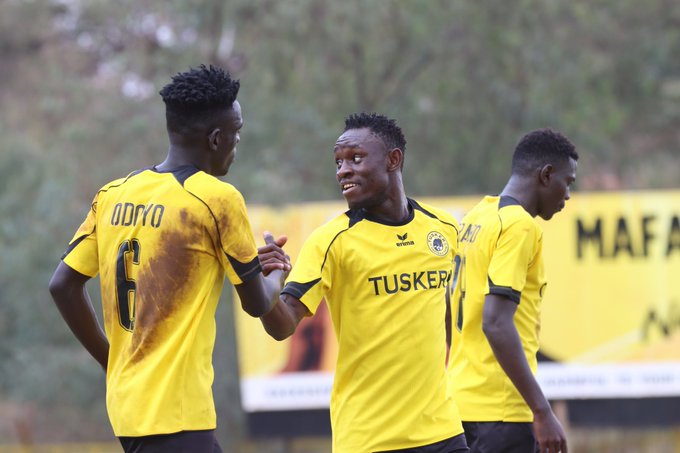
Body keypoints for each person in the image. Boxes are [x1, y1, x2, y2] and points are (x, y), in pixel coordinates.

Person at [48, 64, 289, 452]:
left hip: (127, 408)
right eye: (236, 133)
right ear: (216, 139)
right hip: (177, 413)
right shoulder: (217, 198)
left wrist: (112, 362)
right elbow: (259, 302)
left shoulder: (114, 194)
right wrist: (277, 271)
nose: (238, 142)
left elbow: (62, 285)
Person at [257, 113, 469, 453]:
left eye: (355, 158)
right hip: (369, 439)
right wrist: (263, 288)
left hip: (442, 433)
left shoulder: (443, 228)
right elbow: (282, 327)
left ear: (393, 159)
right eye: (338, 162)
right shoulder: (330, 241)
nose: (343, 170)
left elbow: (443, 312)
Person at [449, 128, 578, 453]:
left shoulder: (477, 217)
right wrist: (541, 410)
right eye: (568, 182)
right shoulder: (520, 226)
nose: (567, 196)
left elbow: (447, 313)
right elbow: (495, 321)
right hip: (502, 411)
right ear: (547, 175)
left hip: (460, 406)